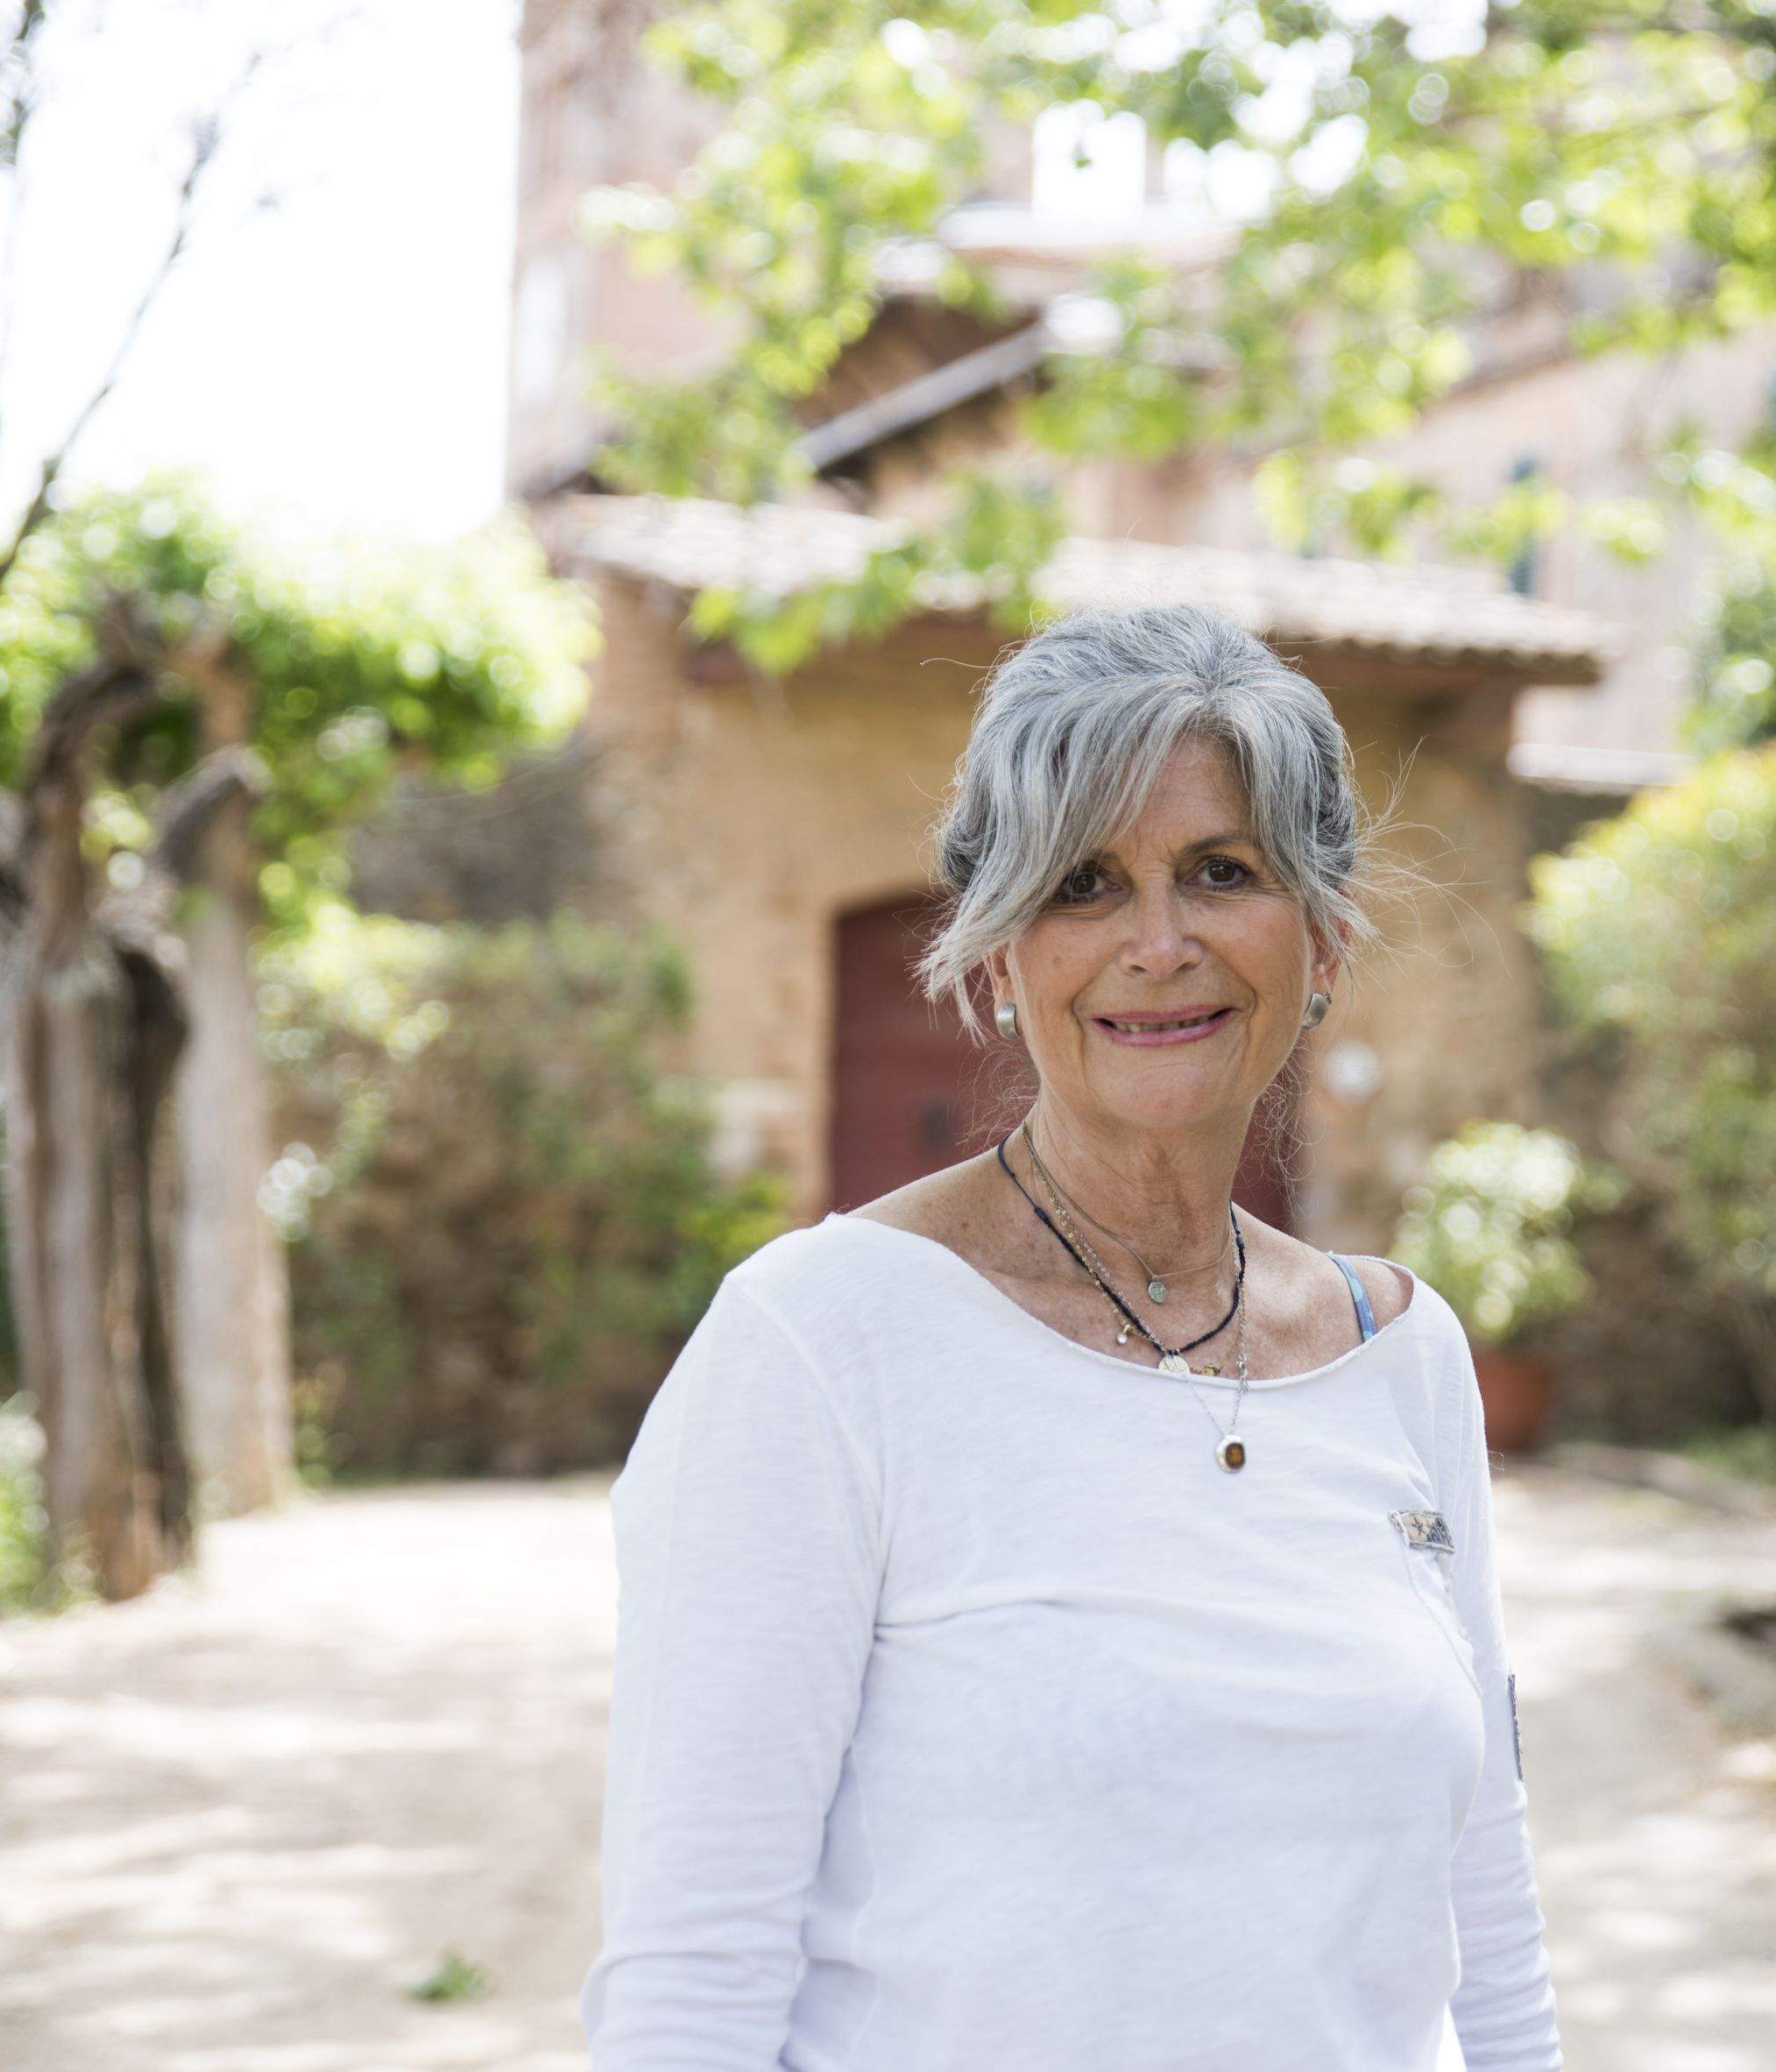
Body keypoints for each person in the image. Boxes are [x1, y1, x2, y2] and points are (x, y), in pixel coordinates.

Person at [579, 603, 1564, 2070]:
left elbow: (1490, 1925)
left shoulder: (1403, 1357)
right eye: (1085, 883)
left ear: (1325, 934)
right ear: (996, 951)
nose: (1156, 944)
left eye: (1221, 872)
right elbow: (689, 1991)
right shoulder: (819, 1343)